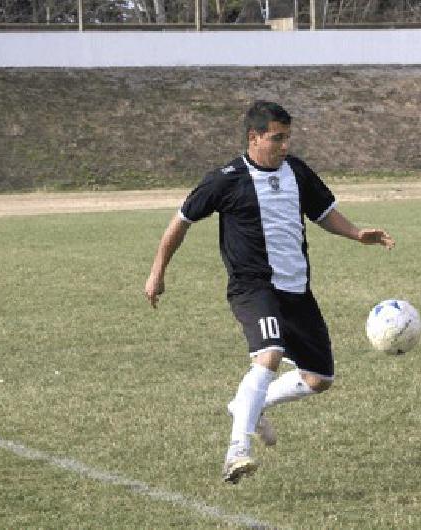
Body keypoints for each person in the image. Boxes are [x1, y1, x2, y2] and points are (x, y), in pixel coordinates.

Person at [144, 101, 395, 483]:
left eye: (288, 138)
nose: (284, 146)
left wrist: (357, 233)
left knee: (319, 378)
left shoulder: (296, 171)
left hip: (297, 290)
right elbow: (181, 222)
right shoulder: (225, 179)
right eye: (277, 138)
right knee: (270, 353)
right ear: (254, 137)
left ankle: (250, 404)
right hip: (253, 286)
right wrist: (157, 272)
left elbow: (323, 211)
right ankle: (237, 450)